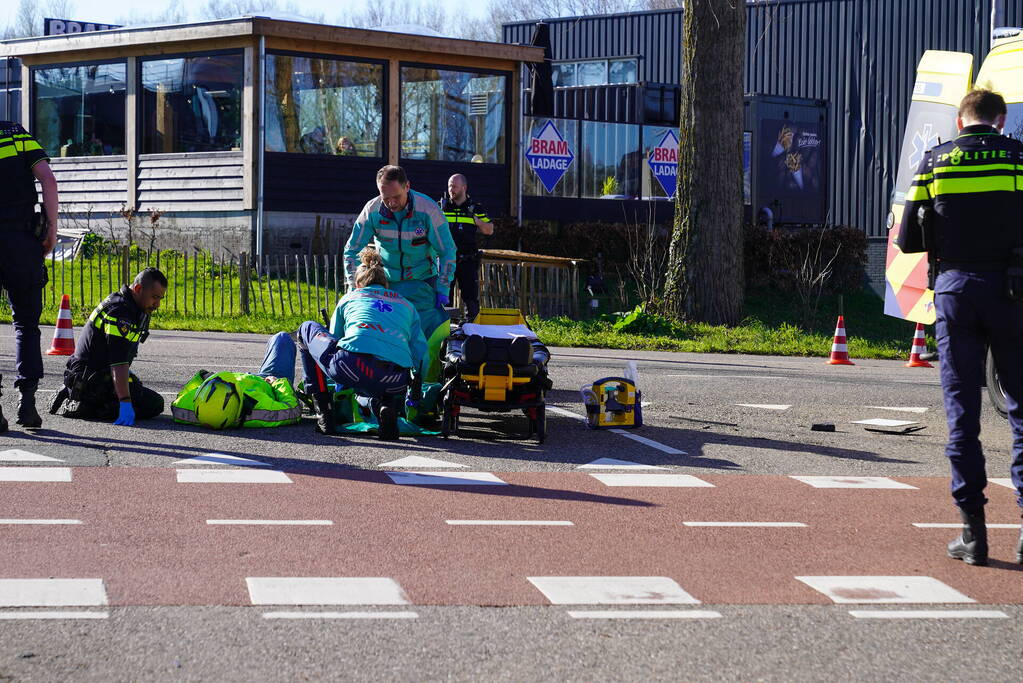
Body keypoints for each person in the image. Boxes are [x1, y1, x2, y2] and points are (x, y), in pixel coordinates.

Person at [896, 88, 1023, 566]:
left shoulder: (934, 163)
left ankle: (973, 532)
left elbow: (909, 238)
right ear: (1002, 119)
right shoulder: (1020, 158)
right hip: (1014, 295)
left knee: (963, 414)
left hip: (955, 293)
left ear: (958, 120)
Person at [299, 248, 427, 441]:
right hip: (395, 380)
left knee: (305, 329)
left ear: (358, 284)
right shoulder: (407, 305)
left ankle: (324, 414)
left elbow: (335, 339)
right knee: (380, 373)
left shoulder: (350, 298)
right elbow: (421, 353)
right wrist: (415, 388)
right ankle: (385, 407)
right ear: (386, 284)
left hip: (352, 367)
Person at [48, 268, 168, 426]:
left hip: (94, 374)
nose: (157, 304)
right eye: (154, 297)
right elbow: (118, 363)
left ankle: (73, 391)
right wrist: (125, 402)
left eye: (160, 298)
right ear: (138, 289)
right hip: (92, 379)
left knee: (139, 391)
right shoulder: (119, 312)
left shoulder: (134, 307)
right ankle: (85, 405)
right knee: (153, 404)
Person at [343, 165, 456, 330]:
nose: (391, 203)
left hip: (423, 281)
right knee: (390, 332)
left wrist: (443, 287)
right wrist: (354, 287)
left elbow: (447, 250)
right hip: (387, 283)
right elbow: (351, 250)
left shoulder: (429, 210)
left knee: (421, 334)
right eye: (385, 197)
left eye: (396, 196)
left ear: (407, 186)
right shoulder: (372, 211)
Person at [0, 121, 59, 431]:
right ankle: (28, 404)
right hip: (22, 241)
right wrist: (51, 228)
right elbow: (48, 180)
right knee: (26, 324)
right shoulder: (15, 134)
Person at [171, 332, 301, 429]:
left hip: (237, 378)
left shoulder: (186, 408)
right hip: (268, 381)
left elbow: (180, 399)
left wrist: (204, 378)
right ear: (239, 404)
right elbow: (293, 410)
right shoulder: (260, 410)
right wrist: (277, 383)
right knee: (282, 338)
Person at [439, 174, 494, 322]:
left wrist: (477, 221)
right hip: (447, 261)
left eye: (454, 186)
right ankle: (445, 333)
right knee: (444, 300)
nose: (451, 189)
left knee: (471, 300)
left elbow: (489, 230)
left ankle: (473, 334)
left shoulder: (475, 208)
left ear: (464, 187)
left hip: (467, 260)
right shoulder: (442, 207)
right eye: (450, 186)